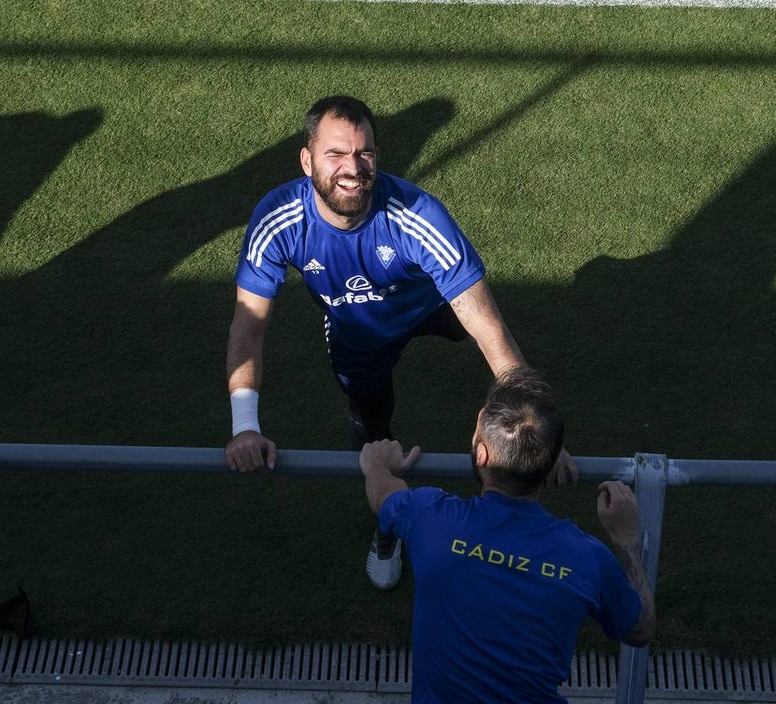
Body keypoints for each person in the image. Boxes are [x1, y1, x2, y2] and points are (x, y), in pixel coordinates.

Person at [223, 95, 576, 589]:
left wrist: (536, 429)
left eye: (364, 153)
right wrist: (245, 426)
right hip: (360, 333)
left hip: (430, 304)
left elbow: (487, 327)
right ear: (307, 160)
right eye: (336, 154)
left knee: (482, 334)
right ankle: (386, 527)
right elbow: (248, 326)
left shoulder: (416, 215)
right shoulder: (278, 218)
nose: (353, 168)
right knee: (371, 428)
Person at [359, 367, 655, 703]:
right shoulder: (587, 558)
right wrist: (626, 539)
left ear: (482, 455)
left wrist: (378, 464)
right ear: (547, 467)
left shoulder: (429, 517)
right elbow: (640, 629)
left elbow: (382, 493)